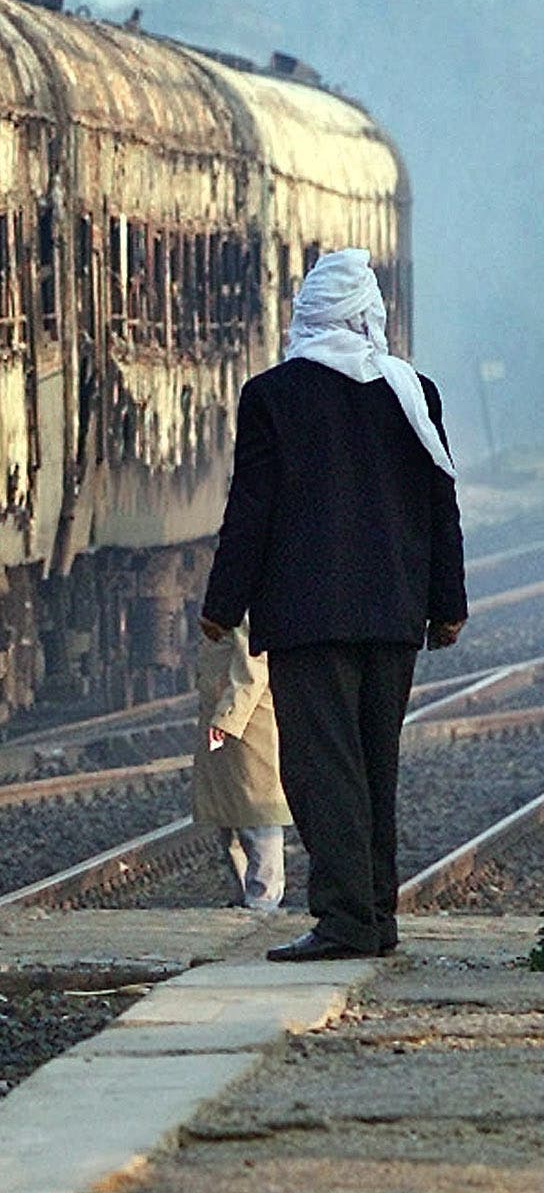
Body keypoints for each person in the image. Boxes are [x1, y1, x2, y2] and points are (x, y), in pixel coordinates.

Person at [200, 248, 466, 962]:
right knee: (376, 763)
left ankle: (348, 920)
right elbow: (441, 504)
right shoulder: (413, 391)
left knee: (322, 770)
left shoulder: (274, 395)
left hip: (309, 618)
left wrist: (223, 603)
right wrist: (447, 603)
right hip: (391, 617)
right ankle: (374, 915)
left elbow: (250, 509)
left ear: (306, 315)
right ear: (368, 314)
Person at [193, 622, 289, 911]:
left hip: (249, 722)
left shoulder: (247, 608)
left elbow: (253, 668)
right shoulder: (235, 603)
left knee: (258, 812)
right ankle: (247, 895)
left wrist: (227, 717)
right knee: (231, 814)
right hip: (228, 718)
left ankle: (263, 899)